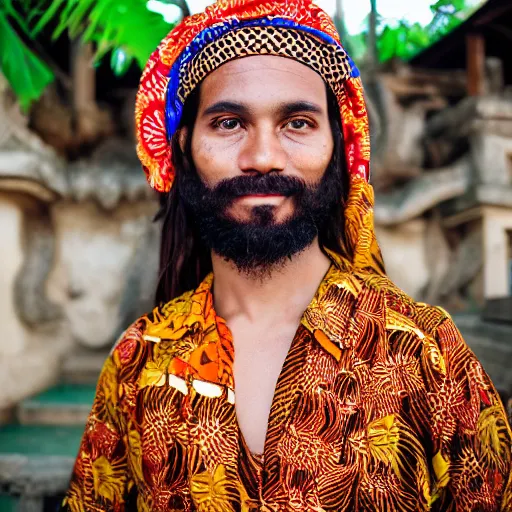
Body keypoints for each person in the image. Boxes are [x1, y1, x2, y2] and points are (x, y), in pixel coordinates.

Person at [62, 0, 512, 510]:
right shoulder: (136, 363)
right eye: (229, 123)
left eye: (297, 123)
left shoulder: (426, 355)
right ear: (183, 146)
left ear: (337, 147)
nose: (263, 158)